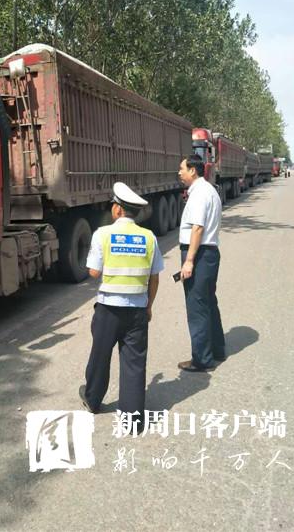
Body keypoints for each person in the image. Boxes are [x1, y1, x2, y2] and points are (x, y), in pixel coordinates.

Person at [79, 182, 164, 420]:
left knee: (100, 356)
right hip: (137, 310)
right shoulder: (149, 237)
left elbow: (94, 272)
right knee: (134, 363)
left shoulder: (102, 234)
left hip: (108, 309)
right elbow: (154, 278)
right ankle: (132, 419)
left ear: (117, 209)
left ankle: (93, 399)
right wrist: (148, 306)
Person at [177, 155, 225, 372]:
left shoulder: (199, 194)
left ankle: (202, 359)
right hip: (208, 253)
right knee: (208, 302)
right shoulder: (209, 190)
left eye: (182, 168)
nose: (179, 172)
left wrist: (189, 261)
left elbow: (197, 228)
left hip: (199, 254)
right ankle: (216, 349)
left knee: (197, 307)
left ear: (193, 170)